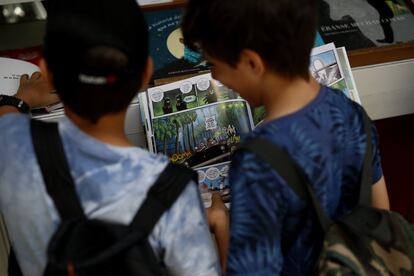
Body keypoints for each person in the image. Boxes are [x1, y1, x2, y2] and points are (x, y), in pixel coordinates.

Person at [0, 0, 219, 275]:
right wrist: (220, 226)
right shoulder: (174, 191)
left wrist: (21, 99)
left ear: (48, 74)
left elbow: (5, 117)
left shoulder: (14, 149)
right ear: (146, 73)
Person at [181, 0, 390, 274]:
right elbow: (381, 213)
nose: (215, 77)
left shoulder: (257, 159)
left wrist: (221, 224)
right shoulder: (352, 113)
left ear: (252, 62)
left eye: (213, 64)